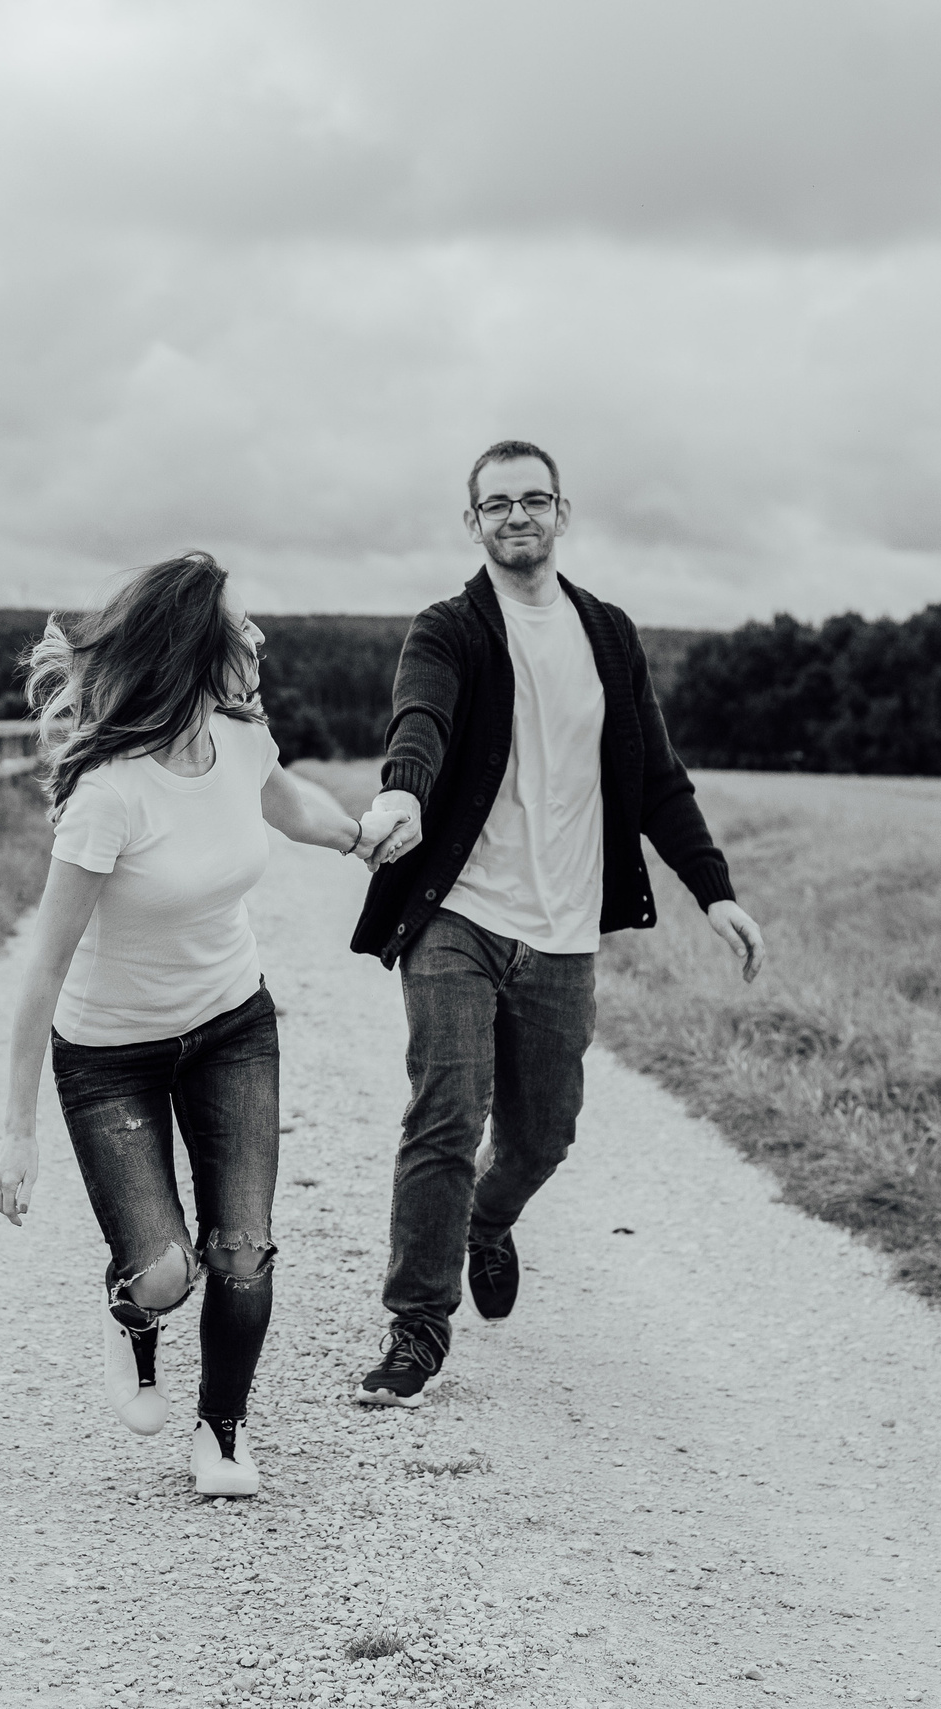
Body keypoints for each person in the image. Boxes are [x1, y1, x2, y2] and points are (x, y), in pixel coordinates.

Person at [346, 441, 767, 1407]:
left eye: (533, 500)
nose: (516, 517)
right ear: (474, 524)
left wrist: (717, 890)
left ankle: (486, 1223)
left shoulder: (609, 636)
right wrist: (405, 794)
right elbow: (423, 718)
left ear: (562, 514)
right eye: (496, 505)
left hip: (566, 927)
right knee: (446, 1112)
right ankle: (417, 1323)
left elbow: (658, 779)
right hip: (459, 911)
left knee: (543, 1136)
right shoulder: (448, 628)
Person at [0, 551, 375, 1496]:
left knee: (241, 1247)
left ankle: (224, 1431)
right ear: (195, 653)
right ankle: (133, 1314)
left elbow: (294, 811)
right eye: (239, 628)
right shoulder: (109, 794)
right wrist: (16, 1131)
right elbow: (41, 970)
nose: (257, 639)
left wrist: (362, 837)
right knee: (165, 1270)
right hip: (109, 1055)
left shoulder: (241, 740)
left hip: (231, 1025)